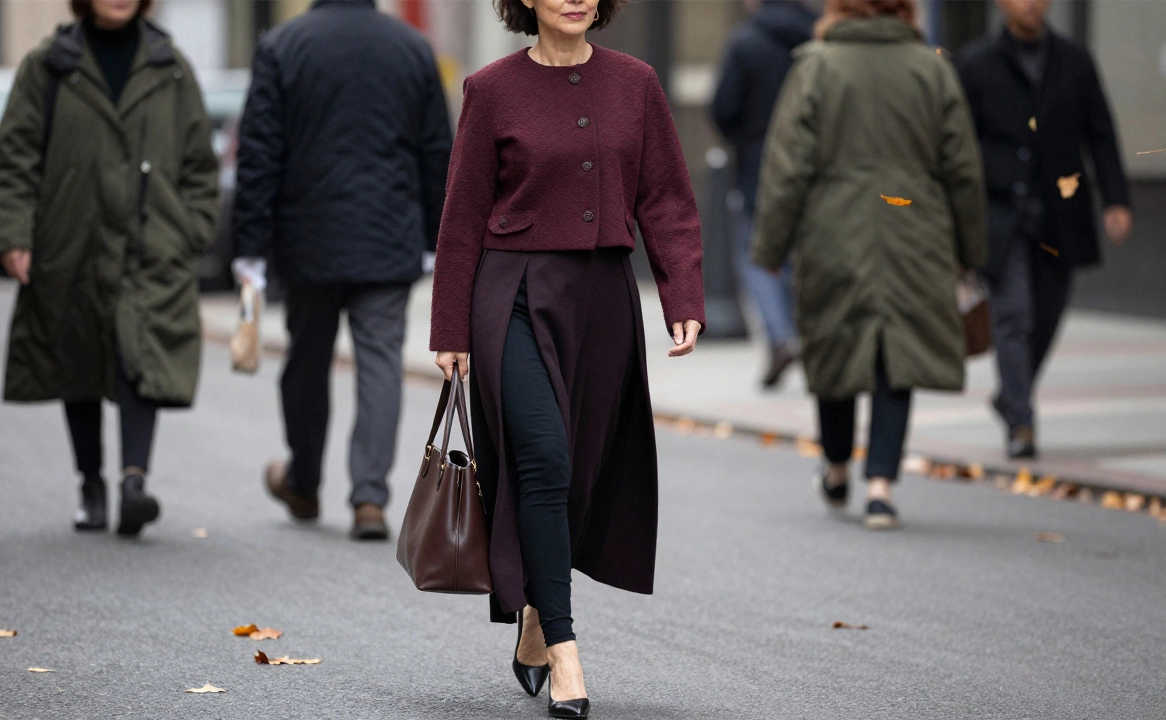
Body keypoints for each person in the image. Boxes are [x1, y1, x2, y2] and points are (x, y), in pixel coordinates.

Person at [429, 0, 705, 713]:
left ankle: (532, 613)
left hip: (603, 299)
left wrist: (682, 294)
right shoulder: (491, 89)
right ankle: (565, 650)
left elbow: (667, 199)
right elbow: (462, 214)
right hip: (514, 295)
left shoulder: (636, 83)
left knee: (580, 471)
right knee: (545, 459)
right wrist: (450, 326)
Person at [0, 0, 218, 537]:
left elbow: (200, 164)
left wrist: (189, 230)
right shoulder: (49, 65)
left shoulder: (170, 66)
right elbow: (15, 158)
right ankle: (91, 484)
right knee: (80, 358)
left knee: (141, 351)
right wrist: (13, 236)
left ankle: (134, 483)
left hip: (150, 240)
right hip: (72, 238)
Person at [752, 0, 986, 529]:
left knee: (835, 346)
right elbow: (962, 168)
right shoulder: (931, 69)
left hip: (834, 229)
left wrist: (771, 246)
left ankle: (837, 467)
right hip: (915, 228)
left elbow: (788, 166)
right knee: (897, 354)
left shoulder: (816, 66)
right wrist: (971, 250)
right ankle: (881, 486)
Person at [230, 0, 452, 541]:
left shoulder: (284, 46)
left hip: (310, 235)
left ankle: (303, 481)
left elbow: (259, 152)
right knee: (380, 361)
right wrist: (435, 239)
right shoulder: (412, 48)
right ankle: (370, 497)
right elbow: (437, 152)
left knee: (307, 359)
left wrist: (251, 248)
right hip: (389, 234)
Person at [957, 0, 1132, 460]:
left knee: (1048, 315)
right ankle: (1022, 421)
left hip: (1060, 214)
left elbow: (1100, 132)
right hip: (1000, 215)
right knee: (1013, 314)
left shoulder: (1074, 60)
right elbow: (957, 144)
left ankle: (1011, 395)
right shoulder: (975, 64)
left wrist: (1116, 198)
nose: (1031, 3)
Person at [711, 0, 817, 389]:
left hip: (759, 166)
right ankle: (809, 338)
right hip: (813, 166)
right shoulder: (818, 38)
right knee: (805, 254)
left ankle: (781, 335)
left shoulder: (746, 41)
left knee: (758, 254)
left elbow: (723, 108)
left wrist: (746, 140)